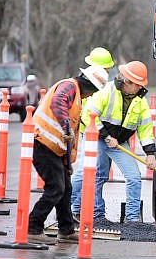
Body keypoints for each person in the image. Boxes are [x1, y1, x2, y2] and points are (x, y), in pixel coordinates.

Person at [27, 65, 109, 245]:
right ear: (88, 85)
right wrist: (66, 126)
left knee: (66, 189)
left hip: (54, 149)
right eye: (94, 90)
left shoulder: (77, 95)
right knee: (56, 188)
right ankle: (32, 228)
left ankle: (66, 230)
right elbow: (58, 102)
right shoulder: (69, 86)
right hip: (43, 143)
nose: (93, 94)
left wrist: (67, 164)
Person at [88, 60, 156, 223]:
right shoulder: (107, 91)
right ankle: (97, 215)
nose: (140, 87)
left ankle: (132, 219)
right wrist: (106, 136)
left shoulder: (141, 101)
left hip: (119, 142)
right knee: (99, 176)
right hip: (98, 138)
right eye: (137, 84)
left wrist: (150, 154)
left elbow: (145, 130)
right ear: (127, 81)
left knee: (134, 177)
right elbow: (90, 115)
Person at [70, 47, 115, 221]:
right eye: (106, 68)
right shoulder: (91, 84)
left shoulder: (98, 82)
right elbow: (86, 115)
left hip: (95, 132)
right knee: (83, 171)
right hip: (89, 133)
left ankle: (77, 207)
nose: (108, 71)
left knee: (96, 172)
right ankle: (72, 206)